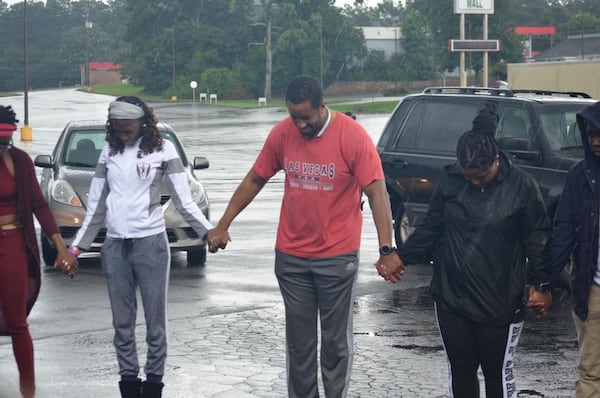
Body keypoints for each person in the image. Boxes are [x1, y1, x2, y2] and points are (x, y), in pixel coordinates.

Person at [206, 75, 403, 397]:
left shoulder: (352, 137)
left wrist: (386, 249)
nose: (299, 125)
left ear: (322, 106)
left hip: (337, 257)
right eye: (293, 116)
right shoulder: (283, 133)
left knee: (336, 342)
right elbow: (256, 179)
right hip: (291, 257)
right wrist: (223, 223)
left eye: (306, 117)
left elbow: (377, 192)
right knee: (299, 344)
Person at [379, 102, 553, 398]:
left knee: (496, 372)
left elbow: (537, 238)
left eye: (480, 176)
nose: (472, 180)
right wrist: (400, 254)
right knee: (461, 369)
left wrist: (541, 285)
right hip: (452, 294)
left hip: (500, 297)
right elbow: (432, 227)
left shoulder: (521, 186)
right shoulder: (451, 181)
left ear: (496, 159)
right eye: (467, 173)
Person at [69, 96, 213, 398]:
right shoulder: (109, 153)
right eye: (118, 130)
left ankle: (154, 386)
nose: (124, 135)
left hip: (151, 246)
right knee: (122, 324)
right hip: (115, 248)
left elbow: (185, 201)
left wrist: (209, 232)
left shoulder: (164, 150)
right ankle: (129, 386)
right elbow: (95, 208)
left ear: (144, 122)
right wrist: (75, 250)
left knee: (155, 323)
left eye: (129, 128)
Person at [0, 105, 77, 398]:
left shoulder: (19, 161)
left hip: (12, 244)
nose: (2, 146)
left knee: (18, 322)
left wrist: (61, 248)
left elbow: (40, 206)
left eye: (6, 140)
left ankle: (28, 392)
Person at [551, 101, 600, 397]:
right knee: (591, 372)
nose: (595, 141)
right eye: (591, 134)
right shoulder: (579, 176)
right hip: (592, 291)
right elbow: (563, 231)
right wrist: (547, 279)